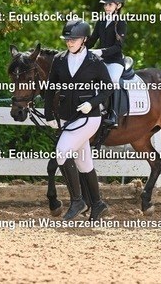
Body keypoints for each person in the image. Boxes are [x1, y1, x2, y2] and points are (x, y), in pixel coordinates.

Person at [45, 19, 113, 221]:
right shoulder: (59, 59)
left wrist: (92, 103)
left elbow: (108, 88)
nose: (69, 42)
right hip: (67, 117)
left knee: (61, 152)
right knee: (84, 163)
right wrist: (49, 115)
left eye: (73, 39)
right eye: (67, 39)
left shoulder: (94, 61)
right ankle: (98, 204)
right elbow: (50, 88)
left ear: (84, 39)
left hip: (89, 118)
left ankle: (78, 201)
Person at [86, 0, 127, 128]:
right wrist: (79, 48)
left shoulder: (121, 23)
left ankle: (113, 115)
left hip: (115, 61)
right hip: (101, 60)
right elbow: (92, 40)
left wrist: (101, 52)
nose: (106, 7)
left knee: (113, 80)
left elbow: (118, 47)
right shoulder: (101, 21)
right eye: (105, 4)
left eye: (110, 4)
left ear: (118, 6)